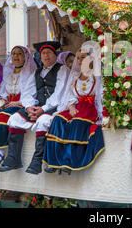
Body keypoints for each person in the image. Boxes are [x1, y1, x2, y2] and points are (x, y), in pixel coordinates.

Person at [0, 41, 68, 174]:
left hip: (55, 108)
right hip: (37, 108)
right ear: (40, 56)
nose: (46, 56)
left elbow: (59, 94)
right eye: (43, 53)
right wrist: (29, 107)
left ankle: (37, 161)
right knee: (14, 119)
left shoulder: (62, 69)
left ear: (55, 55)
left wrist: (43, 109)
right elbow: (28, 92)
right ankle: (13, 159)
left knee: (42, 122)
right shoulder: (37, 72)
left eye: (49, 53)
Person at [43, 45, 105, 174]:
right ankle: (54, 161)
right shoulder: (76, 76)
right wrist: (71, 106)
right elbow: (70, 95)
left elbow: (101, 96)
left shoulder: (97, 76)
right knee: (58, 119)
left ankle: (69, 161)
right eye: (78, 58)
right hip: (76, 107)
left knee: (77, 122)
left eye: (83, 58)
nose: (80, 61)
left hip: (90, 108)